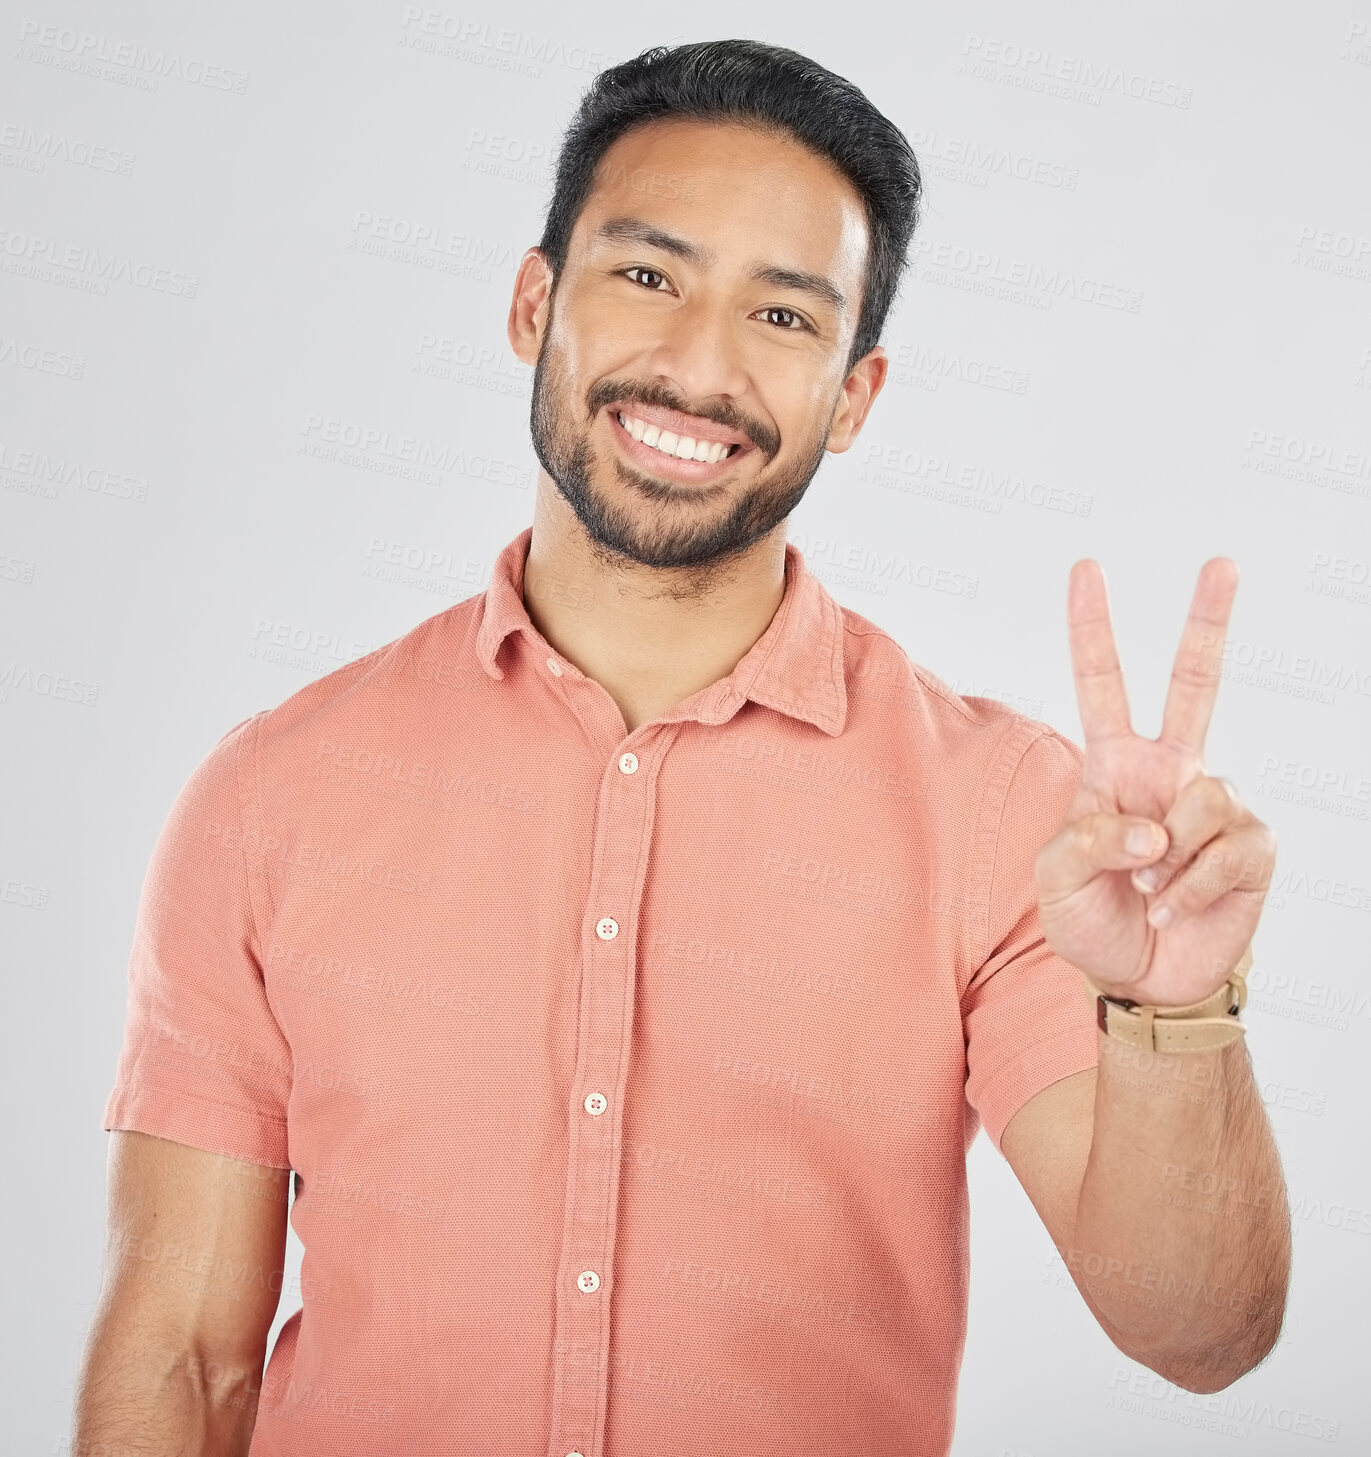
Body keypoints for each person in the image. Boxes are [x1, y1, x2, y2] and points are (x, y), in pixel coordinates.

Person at [73, 38, 1290, 1457]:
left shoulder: (1000, 811)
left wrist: (1176, 1016)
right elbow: (180, 1361)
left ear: (855, 394)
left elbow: (1202, 1333)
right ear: (535, 302)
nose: (700, 366)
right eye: (647, 276)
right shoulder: (273, 795)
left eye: (783, 315)